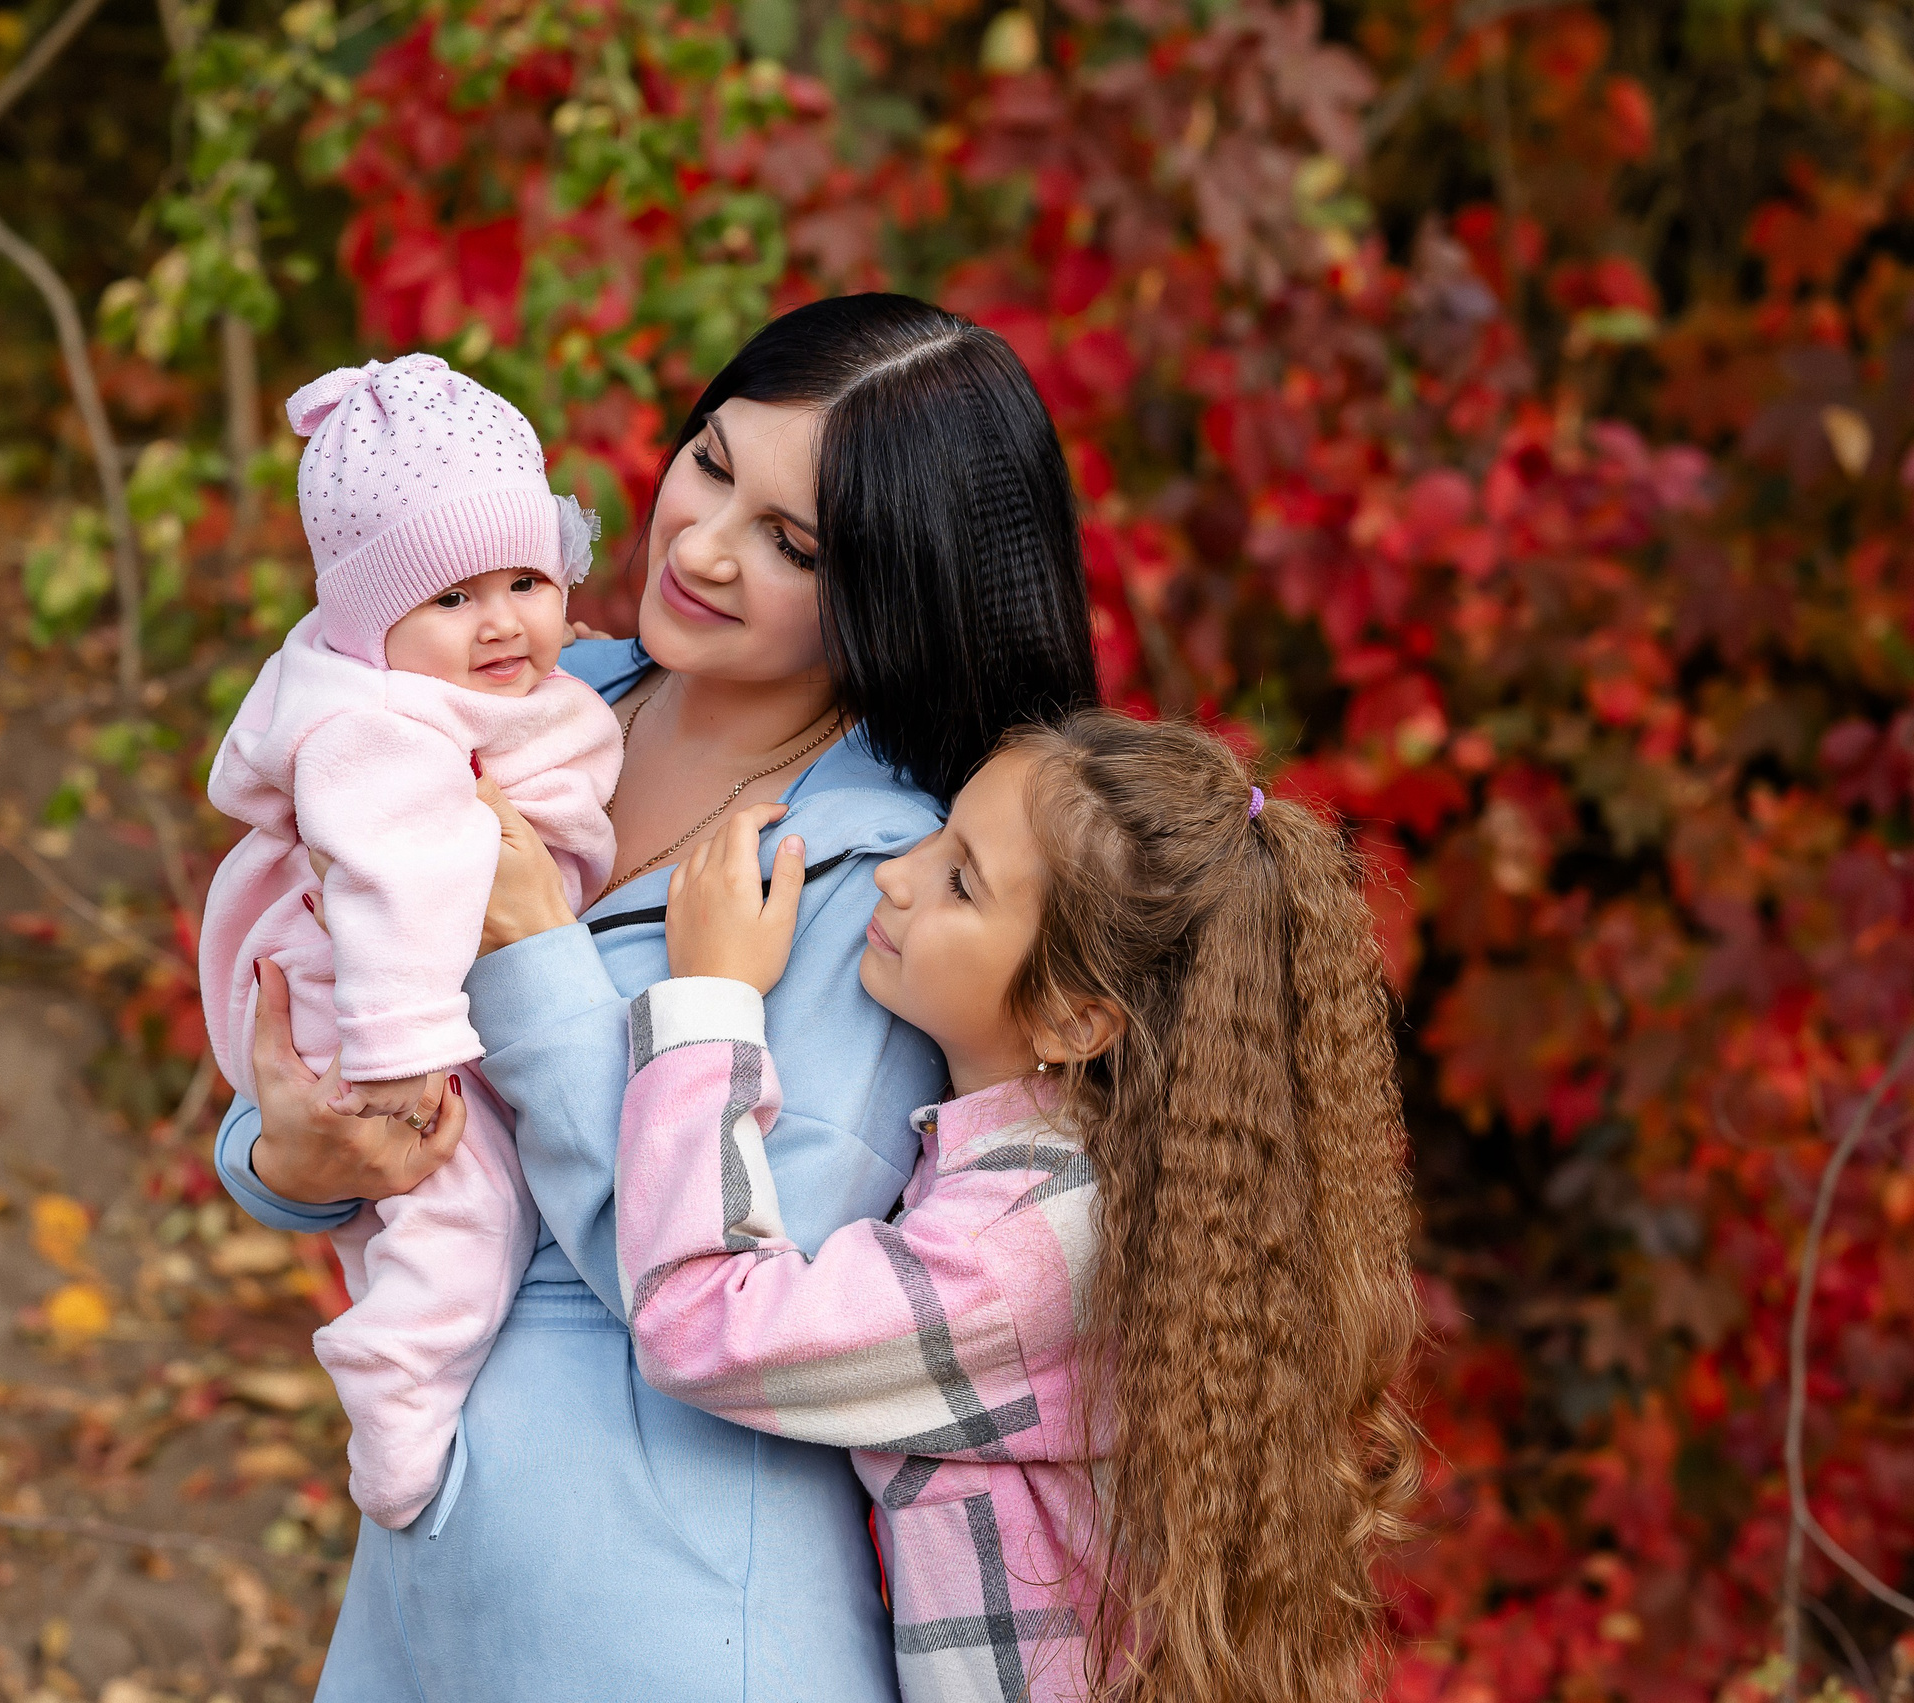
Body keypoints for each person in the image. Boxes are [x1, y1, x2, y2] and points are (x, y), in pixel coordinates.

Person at [217, 294, 1098, 1700]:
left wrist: (527, 950)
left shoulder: (879, 875)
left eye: (790, 541)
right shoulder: (523, 695)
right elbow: (318, 998)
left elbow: (738, 1281)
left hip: (671, 1611)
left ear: (898, 585)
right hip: (428, 1582)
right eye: (708, 461)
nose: (697, 545)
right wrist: (287, 1159)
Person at [613, 712, 1423, 1703]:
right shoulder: (1069, 1179)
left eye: (961, 880)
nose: (896, 874)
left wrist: (706, 998)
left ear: (1073, 1016)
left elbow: (699, 1322)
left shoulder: (1026, 1249)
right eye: (942, 834)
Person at [196, 354, 621, 1529]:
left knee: (440, 1211)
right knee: (461, 1211)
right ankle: (392, 1402)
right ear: (372, 625)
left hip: (420, 1001)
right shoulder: (379, 731)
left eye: (525, 580)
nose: (500, 622)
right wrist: (396, 1053)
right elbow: (388, 881)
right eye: (449, 599)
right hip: (375, 1009)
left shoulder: (479, 689)